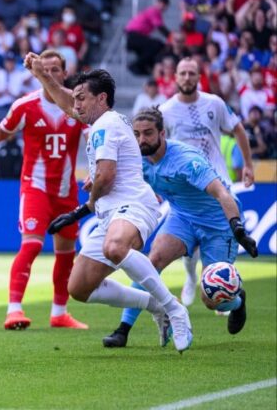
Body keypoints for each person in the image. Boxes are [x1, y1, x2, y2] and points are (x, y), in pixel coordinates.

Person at [24, 54, 193, 352]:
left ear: (101, 99)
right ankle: (158, 306)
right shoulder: (103, 122)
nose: (75, 106)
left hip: (134, 205)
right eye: (75, 98)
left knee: (115, 248)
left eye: (82, 98)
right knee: (78, 288)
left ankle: (176, 310)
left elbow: (106, 176)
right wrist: (42, 75)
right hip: (111, 212)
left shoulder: (105, 125)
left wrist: (83, 208)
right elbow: (65, 102)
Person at [102, 107, 258, 348]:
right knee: (151, 260)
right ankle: (123, 329)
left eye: (148, 133)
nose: (141, 140)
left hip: (218, 224)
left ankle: (237, 301)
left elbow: (222, 193)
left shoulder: (186, 160)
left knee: (211, 298)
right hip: (182, 217)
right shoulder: (137, 159)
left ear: (162, 133)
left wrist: (238, 230)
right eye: (137, 134)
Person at [0, 50, 88, 331]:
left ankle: (59, 313)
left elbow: (97, 139)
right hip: (35, 187)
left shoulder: (78, 107)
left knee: (66, 253)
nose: (50, 73)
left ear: (64, 73)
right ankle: (14, 310)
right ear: (38, 72)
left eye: (55, 68)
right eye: (45, 68)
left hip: (66, 191)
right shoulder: (25, 106)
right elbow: (3, 131)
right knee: (32, 244)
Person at [158, 58, 255, 306]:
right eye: (183, 73)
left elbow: (239, 130)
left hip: (216, 183)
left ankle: (221, 287)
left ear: (199, 76)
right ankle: (190, 278)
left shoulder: (214, 103)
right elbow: (159, 150)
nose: (187, 77)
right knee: (185, 242)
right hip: (184, 189)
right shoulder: (166, 111)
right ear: (175, 77)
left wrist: (248, 164)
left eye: (192, 73)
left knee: (215, 247)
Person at [124, 0, 170, 76]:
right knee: (157, 45)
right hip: (134, 36)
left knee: (155, 45)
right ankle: (136, 65)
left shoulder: (154, 12)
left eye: (164, 4)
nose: (162, 6)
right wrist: (171, 36)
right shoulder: (153, 11)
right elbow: (160, 27)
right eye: (161, 3)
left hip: (137, 36)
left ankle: (146, 66)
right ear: (157, 2)